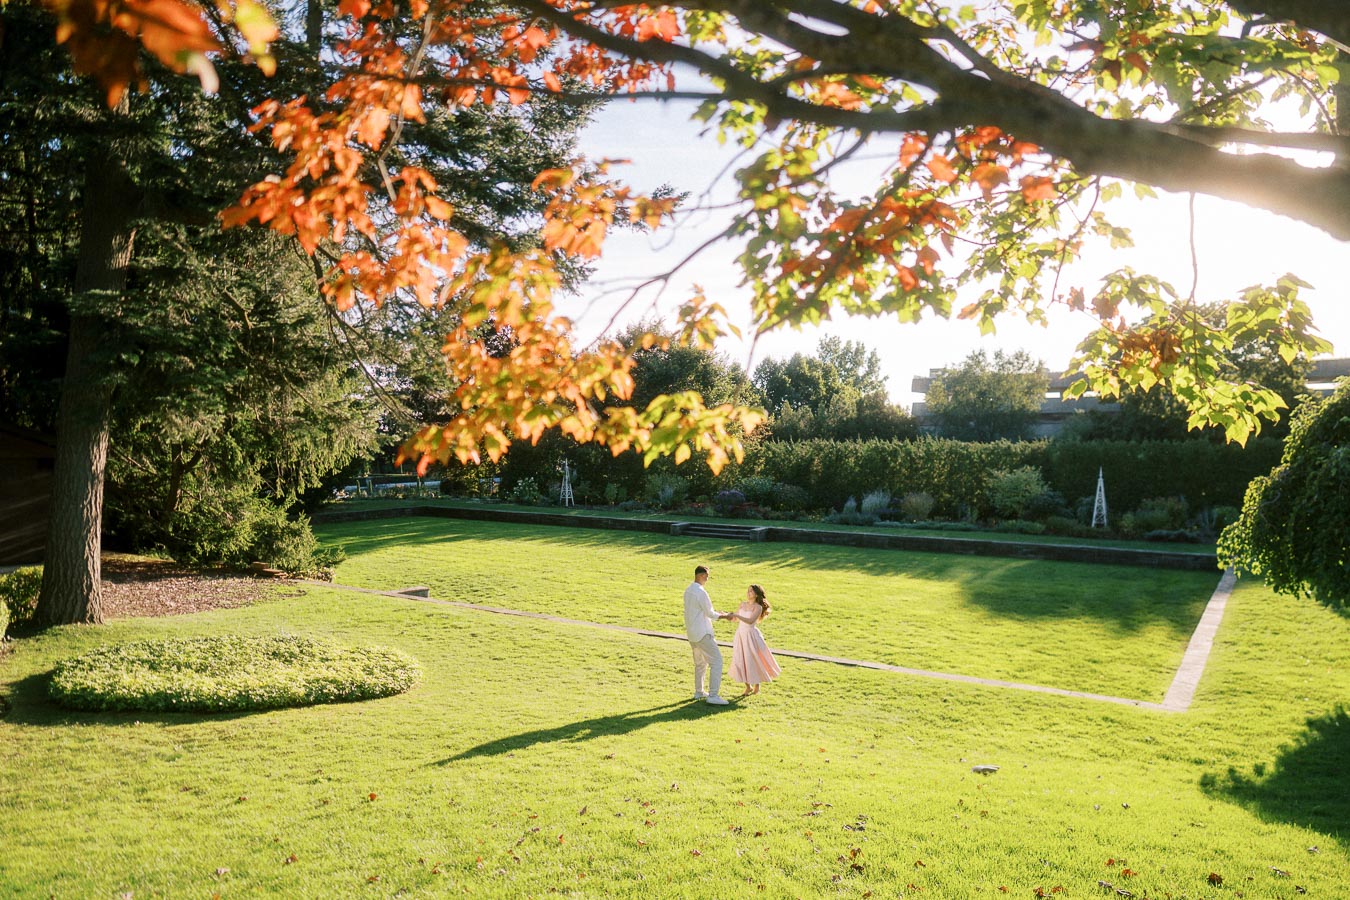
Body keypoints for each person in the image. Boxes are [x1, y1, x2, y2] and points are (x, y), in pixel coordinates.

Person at [683, 564, 732, 705]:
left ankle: (699, 692)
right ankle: (713, 695)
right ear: (701, 575)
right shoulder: (701, 592)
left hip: (692, 633)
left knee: (700, 664)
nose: (707, 579)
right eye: (707, 577)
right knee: (717, 661)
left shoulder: (688, 590)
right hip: (703, 633)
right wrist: (725, 616)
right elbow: (710, 613)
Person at [729, 584, 782, 696]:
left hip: (751, 636)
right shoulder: (742, 604)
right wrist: (725, 615)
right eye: (748, 591)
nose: (749, 593)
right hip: (740, 635)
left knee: (752, 660)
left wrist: (737, 616)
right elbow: (734, 619)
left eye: (751, 592)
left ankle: (757, 685)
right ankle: (748, 686)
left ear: (757, 594)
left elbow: (750, 620)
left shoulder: (758, 607)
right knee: (740, 660)